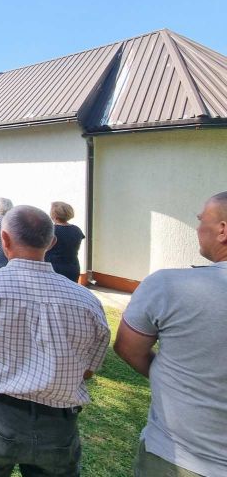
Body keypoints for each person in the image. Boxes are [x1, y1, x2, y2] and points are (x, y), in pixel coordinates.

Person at [0, 205, 110, 476]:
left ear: (4, 239)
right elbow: (89, 368)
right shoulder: (87, 302)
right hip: (58, 420)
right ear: (52, 242)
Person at [114, 192, 227, 477]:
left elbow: (128, 348)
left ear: (222, 230)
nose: (198, 228)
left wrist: (174, 380)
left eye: (201, 220)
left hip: (178, 459)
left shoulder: (169, 285)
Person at [45, 201, 86, 283]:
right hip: (73, 266)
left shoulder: (51, 230)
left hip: (53, 267)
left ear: (54, 214)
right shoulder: (77, 229)